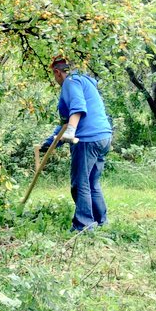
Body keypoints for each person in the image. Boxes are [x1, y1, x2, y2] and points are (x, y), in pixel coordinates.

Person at [36, 56, 112, 232]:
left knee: (80, 183)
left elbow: (78, 106)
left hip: (87, 139)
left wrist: (71, 131)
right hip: (104, 137)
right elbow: (65, 123)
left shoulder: (71, 81)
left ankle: (83, 226)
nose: (55, 80)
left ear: (57, 72)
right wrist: (49, 144)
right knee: (92, 181)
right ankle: (101, 221)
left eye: (54, 76)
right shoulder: (85, 81)